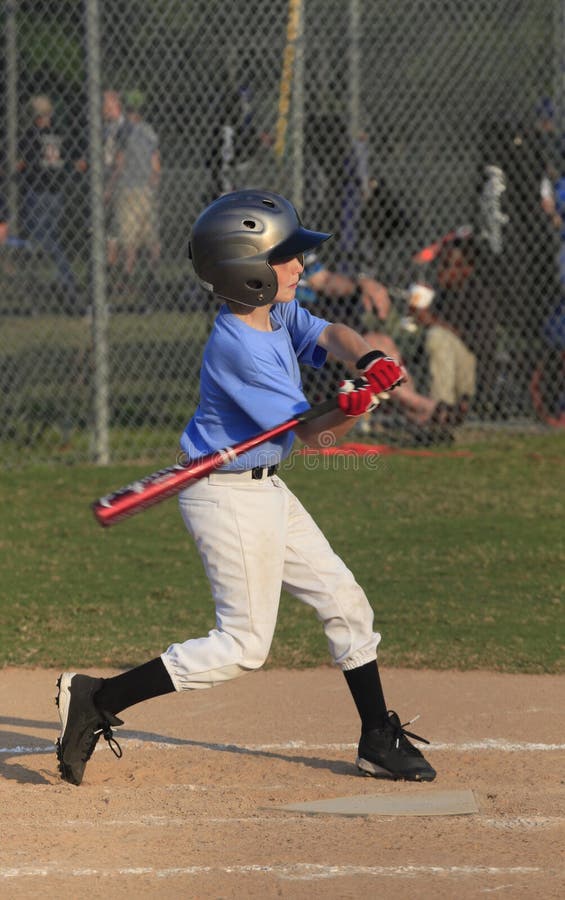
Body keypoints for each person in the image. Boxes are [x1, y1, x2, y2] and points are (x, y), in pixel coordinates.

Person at [55, 189, 436, 787]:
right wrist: (354, 408)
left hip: (264, 487)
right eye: (286, 259)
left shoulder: (275, 312)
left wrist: (371, 359)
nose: (300, 267)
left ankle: (377, 739)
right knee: (243, 645)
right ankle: (99, 699)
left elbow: (332, 333)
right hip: (225, 494)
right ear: (249, 273)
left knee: (344, 599)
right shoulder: (236, 347)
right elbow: (313, 433)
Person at [296, 248, 452, 431]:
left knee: (381, 343)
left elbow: (323, 280)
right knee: (354, 346)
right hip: (292, 334)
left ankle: (419, 416)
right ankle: (424, 408)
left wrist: (361, 283)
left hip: (318, 326)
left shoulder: (292, 244)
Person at [17, 94, 85, 307]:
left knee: (41, 240)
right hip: (56, 192)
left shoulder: (30, 135)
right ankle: (59, 281)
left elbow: (23, 163)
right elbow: (73, 161)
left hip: (37, 191)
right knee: (50, 237)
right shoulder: (59, 134)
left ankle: (64, 279)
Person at [107, 89, 161, 281]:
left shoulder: (124, 131)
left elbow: (119, 162)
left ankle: (127, 276)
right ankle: (152, 274)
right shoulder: (149, 131)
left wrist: (110, 187)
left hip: (127, 188)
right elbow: (156, 164)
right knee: (150, 237)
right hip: (146, 189)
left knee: (129, 239)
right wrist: (153, 184)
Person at [408, 280, 476, 412]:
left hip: (458, 355)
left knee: (439, 336)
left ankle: (455, 405)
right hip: (412, 353)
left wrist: (429, 320)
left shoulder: (456, 300)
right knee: (437, 336)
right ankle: (442, 408)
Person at [102, 89, 125, 271]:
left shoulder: (123, 127)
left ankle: (118, 271)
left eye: (106, 103)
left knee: (118, 229)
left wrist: (110, 187)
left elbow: (121, 161)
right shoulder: (104, 128)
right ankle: (110, 268)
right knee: (109, 230)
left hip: (121, 183)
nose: (103, 108)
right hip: (106, 179)